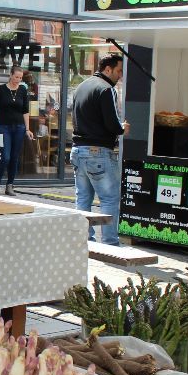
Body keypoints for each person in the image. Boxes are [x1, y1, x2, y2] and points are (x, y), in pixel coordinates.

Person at [70, 54, 128, 245]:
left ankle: (83, 240)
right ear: (108, 69)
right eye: (119, 71)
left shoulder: (81, 87)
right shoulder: (106, 89)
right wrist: (122, 128)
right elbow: (112, 124)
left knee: (83, 198)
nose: (120, 76)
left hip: (78, 150)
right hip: (98, 152)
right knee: (109, 199)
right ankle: (110, 243)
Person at [0, 65, 33, 194]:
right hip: (4, 128)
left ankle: (10, 185)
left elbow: (25, 111)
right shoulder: (0, 90)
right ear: (10, 75)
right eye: (16, 77)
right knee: (5, 157)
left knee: (15, 157)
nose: (18, 80)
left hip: (19, 128)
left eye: (20, 77)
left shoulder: (23, 90)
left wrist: (28, 129)